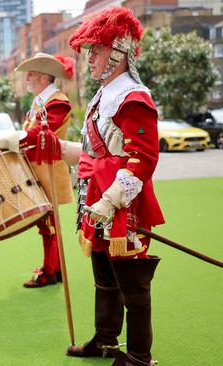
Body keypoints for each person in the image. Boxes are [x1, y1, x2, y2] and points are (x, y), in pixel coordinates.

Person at [58, 7, 164, 366]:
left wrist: (110, 199)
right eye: (90, 50)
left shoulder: (134, 97)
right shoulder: (103, 96)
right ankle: (106, 341)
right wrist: (58, 150)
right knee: (104, 278)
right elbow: (95, 151)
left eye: (97, 50)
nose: (89, 58)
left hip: (123, 208)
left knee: (134, 290)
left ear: (118, 53)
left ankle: (138, 358)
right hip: (97, 202)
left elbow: (143, 160)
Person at [0, 53, 75, 288]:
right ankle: (55, 268)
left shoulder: (58, 101)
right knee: (46, 224)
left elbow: (41, 133)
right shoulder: (41, 101)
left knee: (49, 225)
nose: (27, 78)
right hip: (38, 170)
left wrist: (11, 139)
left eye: (30, 74)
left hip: (49, 170)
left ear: (42, 77)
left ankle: (50, 272)